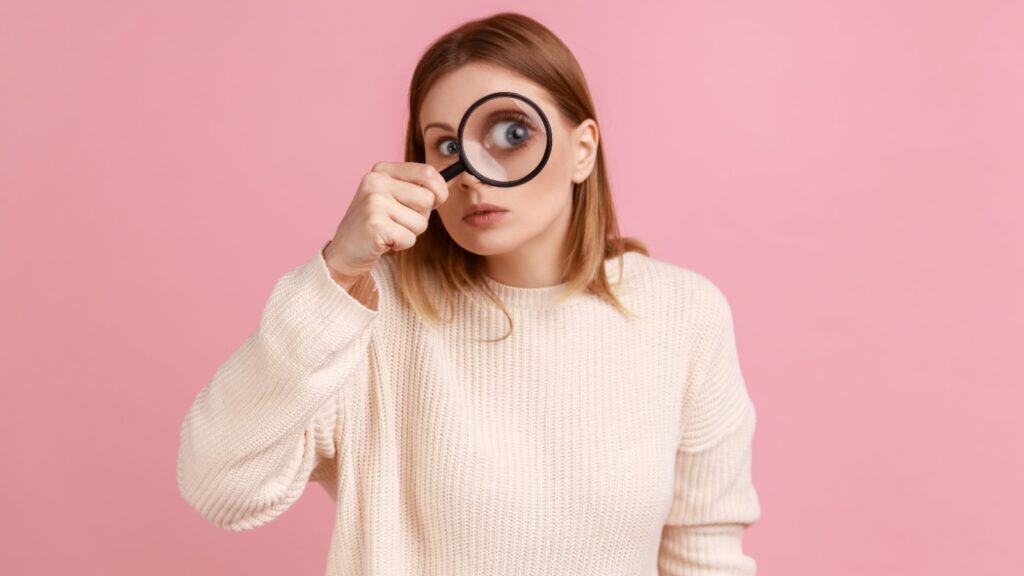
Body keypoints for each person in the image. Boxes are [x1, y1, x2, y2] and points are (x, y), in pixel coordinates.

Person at [176, 11, 762, 576]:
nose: (475, 174)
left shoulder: (684, 315)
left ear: (583, 149)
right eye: (448, 148)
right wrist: (335, 273)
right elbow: (221, 487)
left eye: (512, 133)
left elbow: (705, 557)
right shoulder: (368, 309)